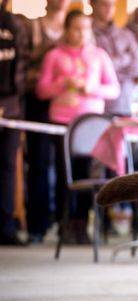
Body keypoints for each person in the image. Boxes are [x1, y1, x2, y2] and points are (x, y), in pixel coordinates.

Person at [36, 10, 120, 243]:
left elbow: (114, 89)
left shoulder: (99, 56)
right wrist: (63, 83)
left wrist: (91, 89)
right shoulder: (54, 55)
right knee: (65, 174)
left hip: (91, 124)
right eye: (76, 28)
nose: (81, 33)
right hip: (62, 122)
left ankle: (83, 224)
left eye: (86, 28)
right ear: (67, 29)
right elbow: (41, 90)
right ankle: (65, 224)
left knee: (88, 174)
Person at [21, 0, 70, 244]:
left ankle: (65, 224)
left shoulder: (75, 27)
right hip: (38, 102)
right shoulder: (34, 27)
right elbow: (23, 63)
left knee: (65, 167)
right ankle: (37, 226)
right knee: (39, 165)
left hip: (67, 105)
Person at [0, 0, 28, 246]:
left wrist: (13, 105)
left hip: (10, 106)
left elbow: (20, 67)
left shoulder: (14, 25)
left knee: (7, 166)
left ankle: (6, 226)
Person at [90, 0, 138, 116]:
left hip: (125, 103)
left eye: (112, 5)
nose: (109, 9)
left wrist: (112, 75)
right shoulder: (86, 34)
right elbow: (94, 70)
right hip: (98, 106)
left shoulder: (126, 35)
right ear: (93, 4)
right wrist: (125, 58)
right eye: (104, 4)